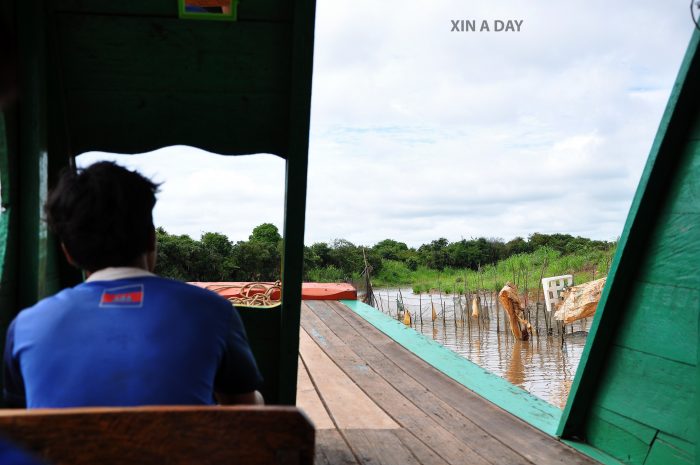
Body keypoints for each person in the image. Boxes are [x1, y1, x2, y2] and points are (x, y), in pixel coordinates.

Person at [3, 161, 263, 408]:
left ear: (68, 252)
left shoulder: (26, 325)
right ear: (151, 239)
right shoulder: (213, 312)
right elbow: (244, 413)